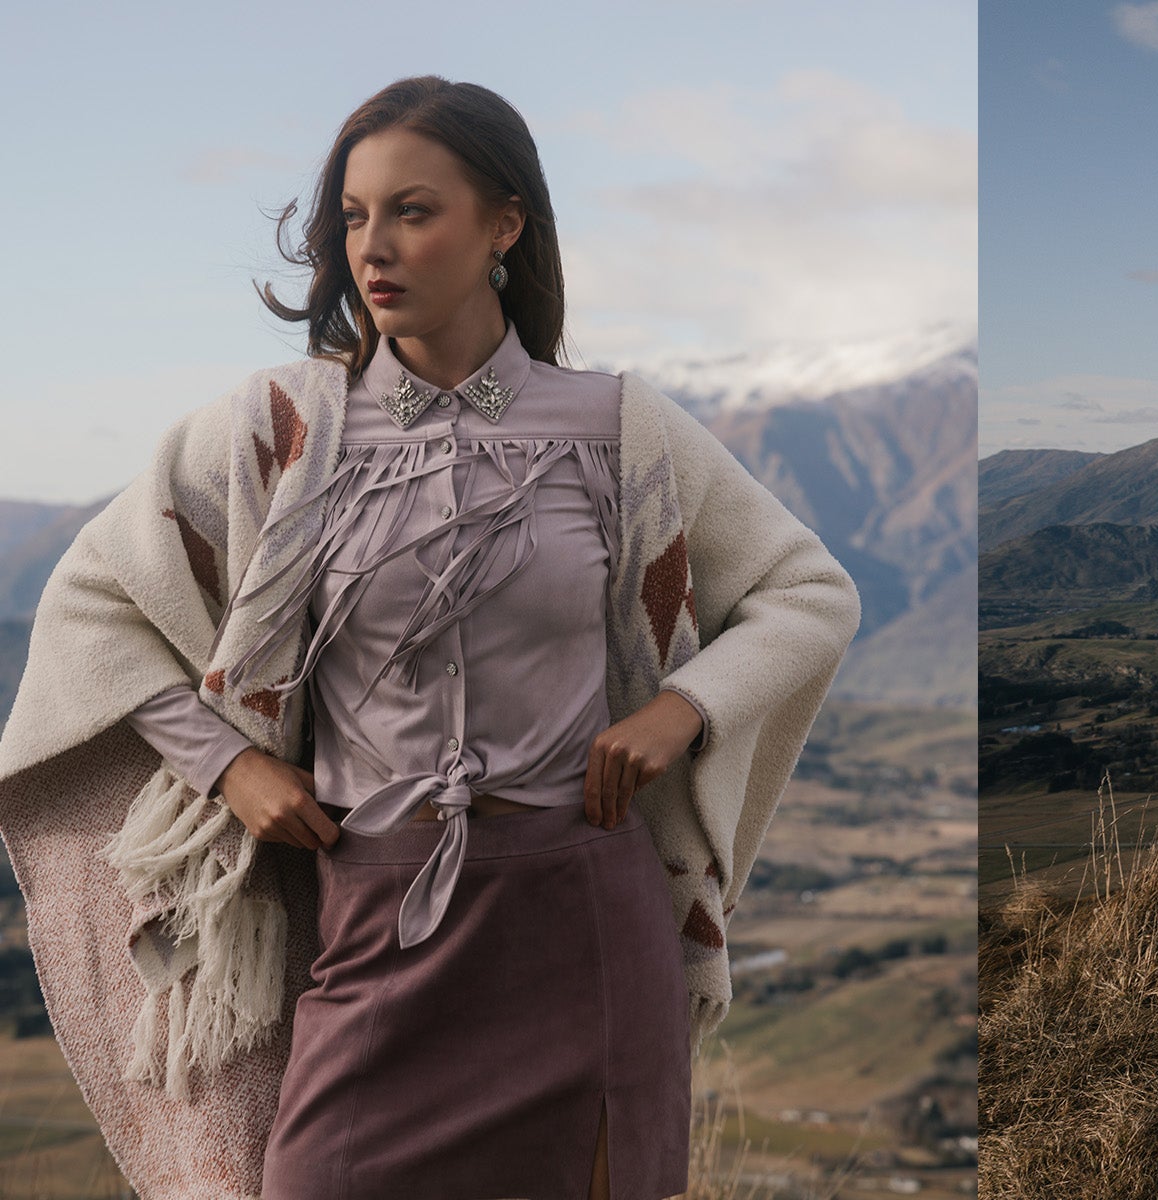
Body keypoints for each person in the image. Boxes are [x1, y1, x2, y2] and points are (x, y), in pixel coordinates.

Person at [0, 76, 860, 1198]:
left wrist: (679, 709)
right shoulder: (281, 431)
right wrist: (228, 765)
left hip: (584, 920)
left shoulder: (618, 430)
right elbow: (92, 607)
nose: (374, 246)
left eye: (413, 210)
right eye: (353, 217)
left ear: (504, 225)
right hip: (373, 920)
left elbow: (810, 593)